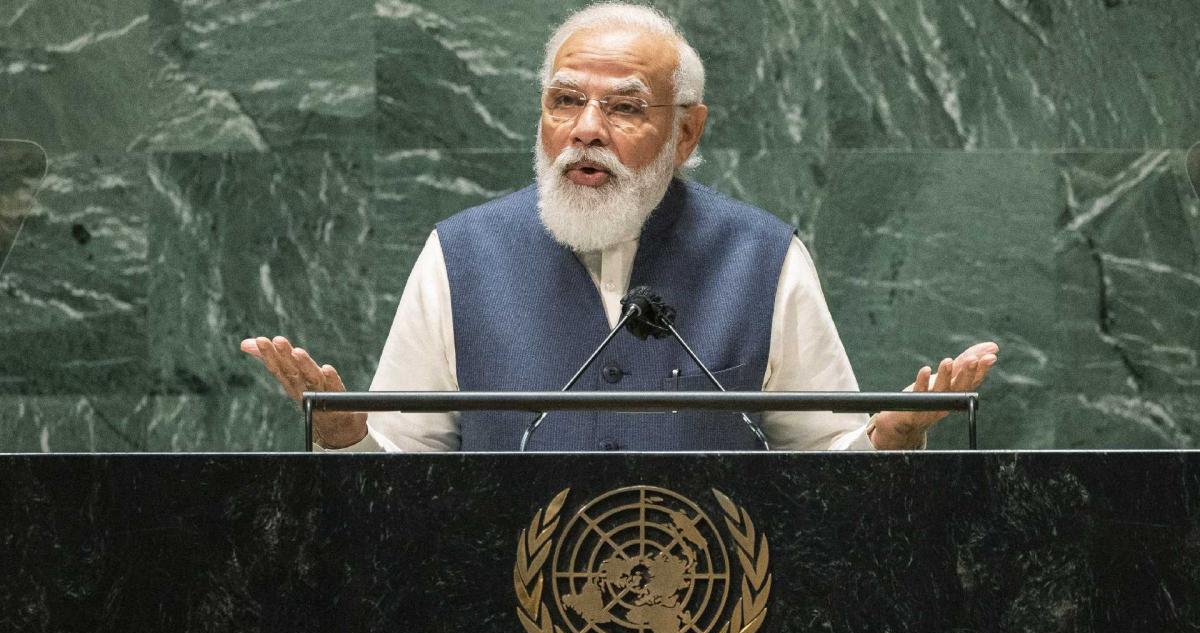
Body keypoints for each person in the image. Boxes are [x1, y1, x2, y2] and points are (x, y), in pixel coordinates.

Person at [241, 3, 998, 452]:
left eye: (626, 107)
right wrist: (349, 441)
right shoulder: (459, 255)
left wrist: (890, 437)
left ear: (687, 133)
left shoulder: (764, 257)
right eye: (564, 101)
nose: (586, 130)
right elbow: (405, 464)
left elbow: (828, 451)